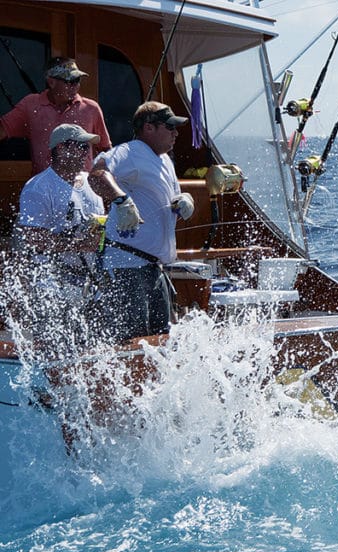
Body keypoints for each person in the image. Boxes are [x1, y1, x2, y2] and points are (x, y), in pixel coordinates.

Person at [12, 124, 132, 356]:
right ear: (60, 148)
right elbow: (34, 238)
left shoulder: (92, 183)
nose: (86, 152)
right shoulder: (38, 187)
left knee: (94, 350)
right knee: (55, 352)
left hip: (91, 284)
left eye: (87, 147)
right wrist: (79, 244)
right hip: (53, 286)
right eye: (80, 146)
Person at [90, 101, 194, 342]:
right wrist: (120, 200)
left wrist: (183, 201)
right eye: (170, 127)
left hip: (153, 267)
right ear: (149, 128)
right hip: (127, 265)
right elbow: (97, 173)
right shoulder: (130, 151)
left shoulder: (165, 159)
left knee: (161, 339)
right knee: (133, 340)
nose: (176, 133)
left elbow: (170, 197)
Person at [0, 57, 112, 174]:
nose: (75, 86)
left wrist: (98, 179)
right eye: (70, 81)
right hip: (44, 187)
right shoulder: (30, 105)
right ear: (51, 82)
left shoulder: (91, 108)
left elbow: (106, 150)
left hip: (81, 187)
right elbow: (2, 130)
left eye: (77, 80)